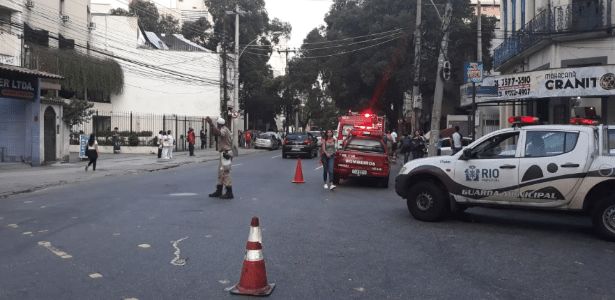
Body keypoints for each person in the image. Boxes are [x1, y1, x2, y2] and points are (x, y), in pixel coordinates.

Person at [206, 116, 234, 199]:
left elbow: (218, 133)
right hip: (224, 153)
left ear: (219, 124)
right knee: (220, 173)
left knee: (225, 173)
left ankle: (229, 192)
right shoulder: (225, 129)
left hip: (226, 153)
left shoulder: (224, 130)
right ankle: (219, 190)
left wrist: (211, 124)